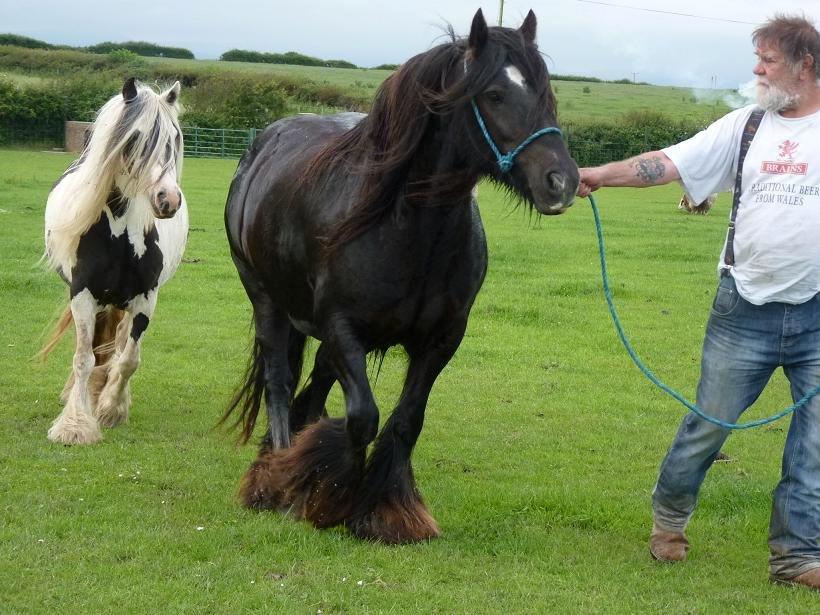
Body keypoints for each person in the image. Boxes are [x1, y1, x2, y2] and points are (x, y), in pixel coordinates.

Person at [578, 14, 820, 590]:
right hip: (744, 310)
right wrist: (597, 174)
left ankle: (797, 557)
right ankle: (669, 517)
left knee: (814, 446)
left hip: (818, 313)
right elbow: (667, 164)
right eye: (756, 57)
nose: (757, 69)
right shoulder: (744, 127)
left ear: (806, 65)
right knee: (709, 428)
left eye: (769, 59)